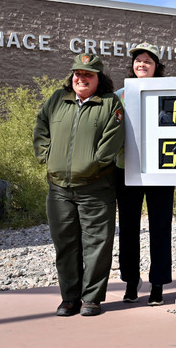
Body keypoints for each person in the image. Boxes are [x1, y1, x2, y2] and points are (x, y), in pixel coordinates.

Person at [33, 53, 124, 317]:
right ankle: (69, 298)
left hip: (96, 188)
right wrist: (45, 155)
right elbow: (41, 127)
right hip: (59, 188)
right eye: (77, 73)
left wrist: (93, 163)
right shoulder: (57, 100)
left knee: (97, 245)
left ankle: (92, 299)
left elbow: (113, 140)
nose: (81, 78)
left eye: (87, 75)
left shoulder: (110, 103)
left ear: (99, 79)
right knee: (65, 244)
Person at [115, 42, 174, 306]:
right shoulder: (120, 94)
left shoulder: (169, 93)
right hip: (126, 170)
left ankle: (158, 283)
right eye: (138, 61)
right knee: (128, 228)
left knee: (160, 227)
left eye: (147, 61)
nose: (142, 65)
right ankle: (130, 281)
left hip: (160, 170)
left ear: (156, 66)